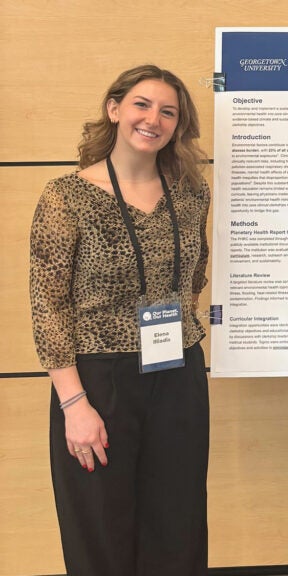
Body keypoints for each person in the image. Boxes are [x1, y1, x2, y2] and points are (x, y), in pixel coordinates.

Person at [29, 64, 211, 575]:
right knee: (101, 529)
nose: (153, 119)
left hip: (178, 374)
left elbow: (193, 275)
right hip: (98, 381)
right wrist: (73, 404)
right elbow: (48, 306)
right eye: (141, 105)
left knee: (177, 525)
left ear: (178, 125)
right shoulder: (65, 197)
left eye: (168, 112)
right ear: (114, 109)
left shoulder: (191, 193)